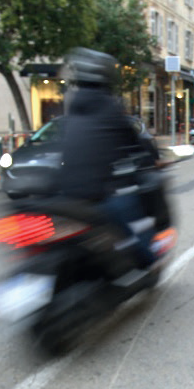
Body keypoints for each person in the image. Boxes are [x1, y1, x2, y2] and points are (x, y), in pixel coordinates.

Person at [57, 48, 159, 268]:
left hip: (68, 195)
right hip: (100, 194)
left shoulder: (73, 109)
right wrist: (150, 160)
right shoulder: (109, 108)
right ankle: (148, 263)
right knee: (136, 223)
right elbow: (135, 144)